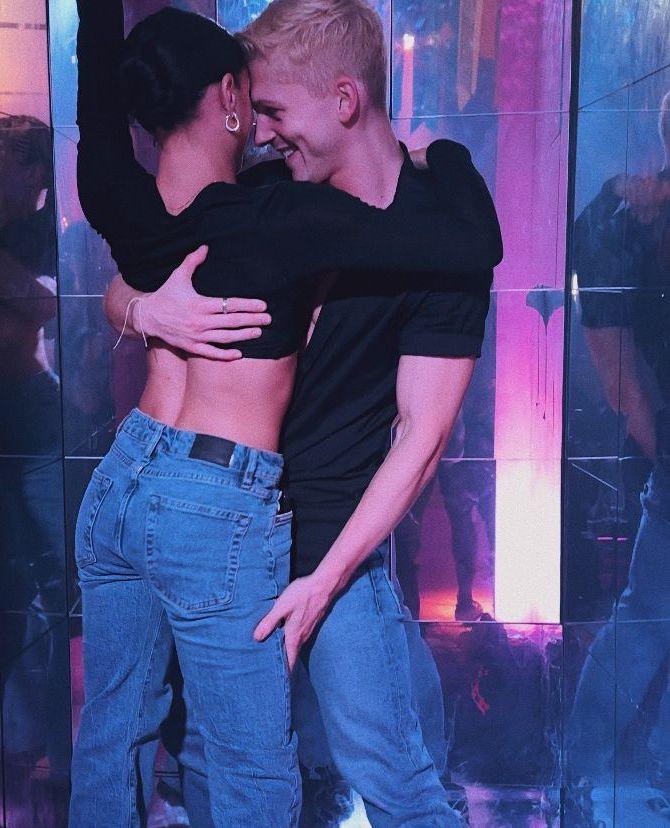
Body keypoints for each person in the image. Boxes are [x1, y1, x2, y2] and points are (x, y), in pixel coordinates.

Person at [71, 0, 500, 824]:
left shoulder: (429, 236)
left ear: (343, 99)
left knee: (388, 775)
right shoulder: (265, 195)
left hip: (324, 542)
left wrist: (324, 584)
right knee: (212, 763)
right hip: (214, 521)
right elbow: (133, 275)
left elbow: (423, 437)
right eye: (252, 108)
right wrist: (148, 312)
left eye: (272, 110)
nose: (261, 134)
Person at [565, 90, 670, 824]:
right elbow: (619, 373)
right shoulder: (627, 216)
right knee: (645, 621)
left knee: (647, 619)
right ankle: (577, 776)